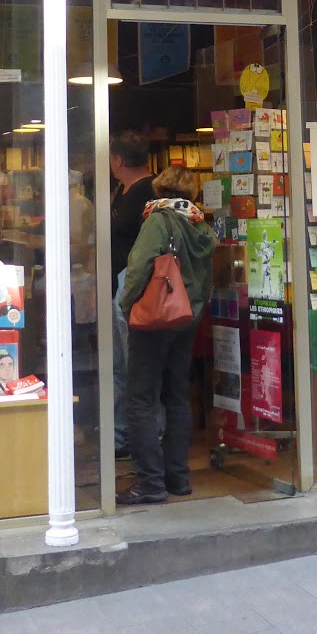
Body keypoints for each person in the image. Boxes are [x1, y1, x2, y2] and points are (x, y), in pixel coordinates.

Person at [115, 165, 216, 505]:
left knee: (140, 397)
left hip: (155, 319)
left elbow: (140, 265)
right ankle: (178, 477)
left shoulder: (159, 221)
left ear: (160, 190)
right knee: (176, 395)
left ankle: (150, 482)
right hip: (186, 319)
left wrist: (128, 306)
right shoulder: (199, 225)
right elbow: (204, 279)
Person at [109, 131, 157, 455]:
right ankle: (120, 434)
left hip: (135, 287)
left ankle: (145, 439)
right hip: (118, 283)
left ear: (118, 160)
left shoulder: (148, 191)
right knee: (118, 365)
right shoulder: (121, 190)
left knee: (136, 364)